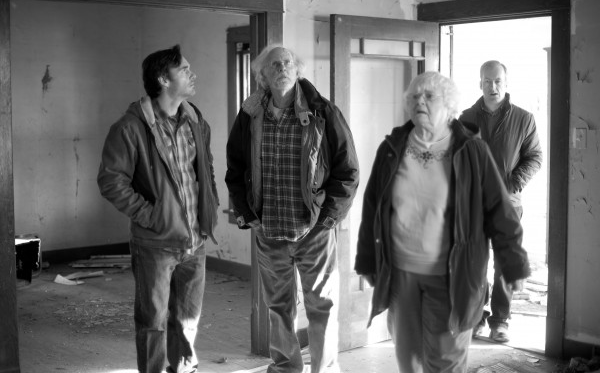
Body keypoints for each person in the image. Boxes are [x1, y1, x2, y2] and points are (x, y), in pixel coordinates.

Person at [354, 71, 531, 373]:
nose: (419, 101)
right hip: (401, 276)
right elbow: (373, 208)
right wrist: (368, 261)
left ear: (449, 105)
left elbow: (499, 211)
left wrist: (514, 264)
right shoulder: (391, 148)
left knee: (445, 362)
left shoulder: (472, 151)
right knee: (408, 359)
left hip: (453, 277)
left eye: (429, 96)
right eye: (414, 96)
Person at [225, 45, 359, 373]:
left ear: (297, 70)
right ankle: (286, 368)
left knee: (322, 306)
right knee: (278, 308)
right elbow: (235, 169)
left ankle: (324, 370)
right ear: (263, 75)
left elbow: (348, 170)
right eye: (274, 65)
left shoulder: (323, 111)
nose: (282, 68)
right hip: (269, 230)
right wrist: (247, 215)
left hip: (314, 230)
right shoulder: (249, 115)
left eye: (287, 63)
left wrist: (328, 218)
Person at [97, 45, 219, 373]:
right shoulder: (130, 127)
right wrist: (151, 216)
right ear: (164, 79)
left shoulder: (195, 120)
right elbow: (111, 181)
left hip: (195, 241)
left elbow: (204, 169)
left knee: (188, 321)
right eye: (185, 70)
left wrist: (210, 208)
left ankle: (183, 369)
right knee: (152, 322)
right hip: (155, 244)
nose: (192, 74)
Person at [459, 60, 542, 343]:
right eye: (487, 81)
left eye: (497, 81)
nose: (492, 86)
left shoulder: (524, 118)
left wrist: (511, 183)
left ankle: (500, 321)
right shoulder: (466, 118)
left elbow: (535, 157)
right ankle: (476, 317)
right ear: (479, 83)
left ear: (506, 83)